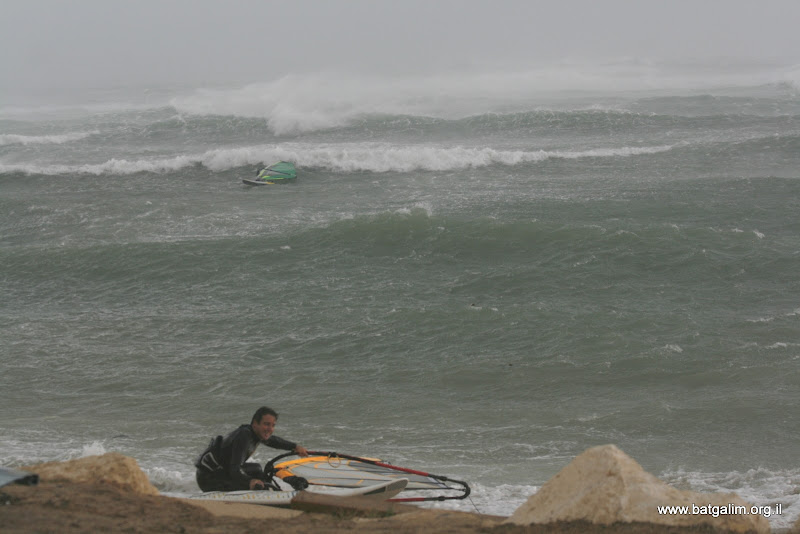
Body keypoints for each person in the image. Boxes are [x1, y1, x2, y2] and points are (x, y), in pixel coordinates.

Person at [195, 406, 309, 492]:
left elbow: (274, 441)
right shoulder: (244, 436)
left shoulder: (256, 434)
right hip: (209, 479)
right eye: (266, 424)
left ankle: (267, 492)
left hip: (223, 472)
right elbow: (234, 470)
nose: (270, 429)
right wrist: (250, 481)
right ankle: (265, 494)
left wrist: (295, 447)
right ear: (255, 424)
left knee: (257, 469)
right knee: (257, 482)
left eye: (273, 425)